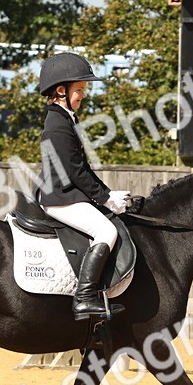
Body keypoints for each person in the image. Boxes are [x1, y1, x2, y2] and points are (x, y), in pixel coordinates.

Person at [34, 52, 130, 320]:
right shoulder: (57, 125)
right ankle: (84, 298)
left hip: (67, 193)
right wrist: (105, 199)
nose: (83, 96)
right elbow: (74, 171)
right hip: (60, 197)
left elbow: (83, 167)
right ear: (61, 91)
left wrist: (108, 194)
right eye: (79, 90)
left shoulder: (67, 119)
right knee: (106, 231)